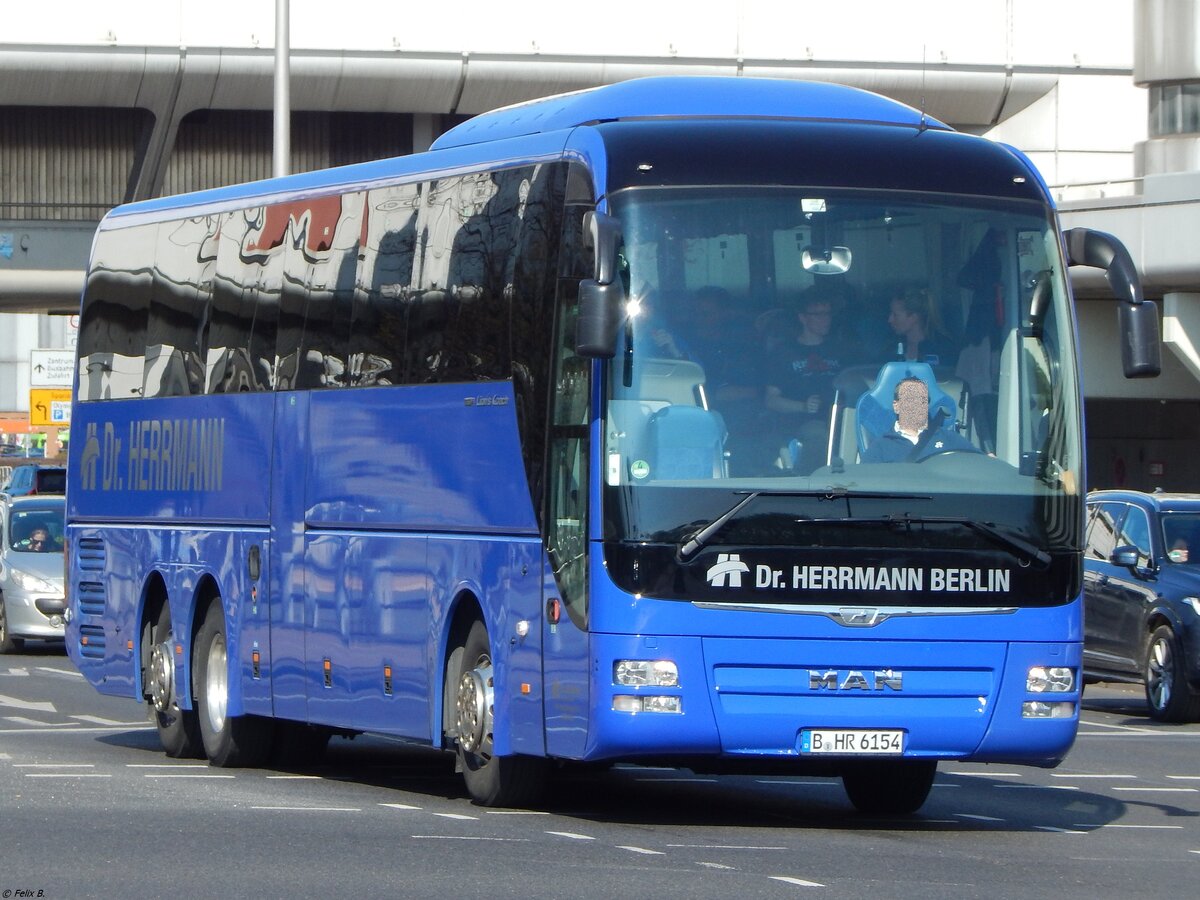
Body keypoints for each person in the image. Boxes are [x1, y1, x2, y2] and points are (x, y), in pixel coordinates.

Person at [764, 290, 847, 472]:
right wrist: (803, 406)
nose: (825, 319)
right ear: (802, 318)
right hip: (802, 423)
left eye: (828, 314)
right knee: (818, 435)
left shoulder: (842, 350)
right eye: (818, 314)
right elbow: (771, 400)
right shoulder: (783, 353)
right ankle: (811, 488)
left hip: (843, 420)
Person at [861, 376, 978, 463]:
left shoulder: (950, 439)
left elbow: (981, 463)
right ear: (896, 406)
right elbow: (865, 483)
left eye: (922, 400)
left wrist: (989, 460)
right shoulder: (880, 447)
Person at [887, 288, 954, 368]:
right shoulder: (890, 349)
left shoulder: (943, 349)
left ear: (914, 317)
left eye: (895, 315)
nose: (890, 320)